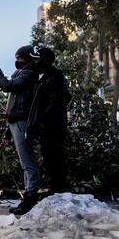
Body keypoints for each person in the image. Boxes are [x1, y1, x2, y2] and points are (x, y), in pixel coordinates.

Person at [0, 45, 41, 215]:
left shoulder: (29, 74)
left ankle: (30, 199)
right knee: (25, 163)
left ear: (28, 59)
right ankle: (27, 198)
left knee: (28, 163)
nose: (16, 61)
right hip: (16, 121)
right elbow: (13, 101)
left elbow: (7, 86)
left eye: (20, 58)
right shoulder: (22, 72)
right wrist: (8, 131)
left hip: (22, 121)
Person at [26, 47, 71, 194]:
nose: (35, 62)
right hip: (54, 126)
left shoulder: (51, 79)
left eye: (38, 59)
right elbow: (67, 97)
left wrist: (41, 119)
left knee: (53, 157)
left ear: (45, 61)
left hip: (52, 127)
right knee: (53, 157)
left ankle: (57, 188)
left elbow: (55, 102)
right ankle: (57, 187)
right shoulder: (51, 77)